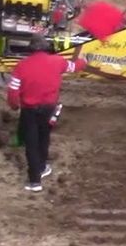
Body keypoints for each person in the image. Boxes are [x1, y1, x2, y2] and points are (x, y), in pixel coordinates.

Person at [5, 33, 87, 193]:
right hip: (49, 109)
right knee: (44, 138)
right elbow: (74, 67)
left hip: (29, 110)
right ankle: (42, 167)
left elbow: (13, 90)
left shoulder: (22, 65)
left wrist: (15, 106)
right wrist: (85, 60)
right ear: (46, 48)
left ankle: (34, 181)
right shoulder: (57, 61)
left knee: (31, 143)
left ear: (30, 49)